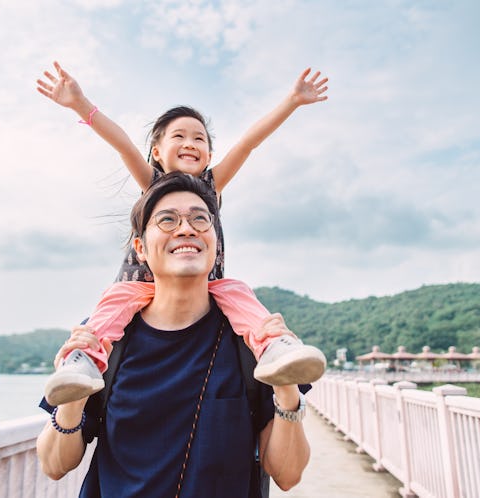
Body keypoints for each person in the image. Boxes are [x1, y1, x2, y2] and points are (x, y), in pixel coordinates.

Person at [36, 62, 328, 406]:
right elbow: (125, 146)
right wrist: (80, 104)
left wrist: (291, 102)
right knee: (111, 307)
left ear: (208, 155)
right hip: (142, 284)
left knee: (237, 293)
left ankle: (274, 346)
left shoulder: (211, 185)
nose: (190, 142)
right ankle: (83, 360)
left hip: (203, 285)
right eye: (179, 136)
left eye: (199, 138)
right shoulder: (154, 185)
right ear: (158, 152)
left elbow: (248, 143)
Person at [36, 172, 311, 497]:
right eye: (167, 220)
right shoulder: (105, 340)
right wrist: (73, 403)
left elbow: (288, 475)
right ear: (140, 248)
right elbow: (54, 465)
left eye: (200, 219)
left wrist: (287, 390)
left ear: (214, 240)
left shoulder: (249, 340)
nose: (186, 228)